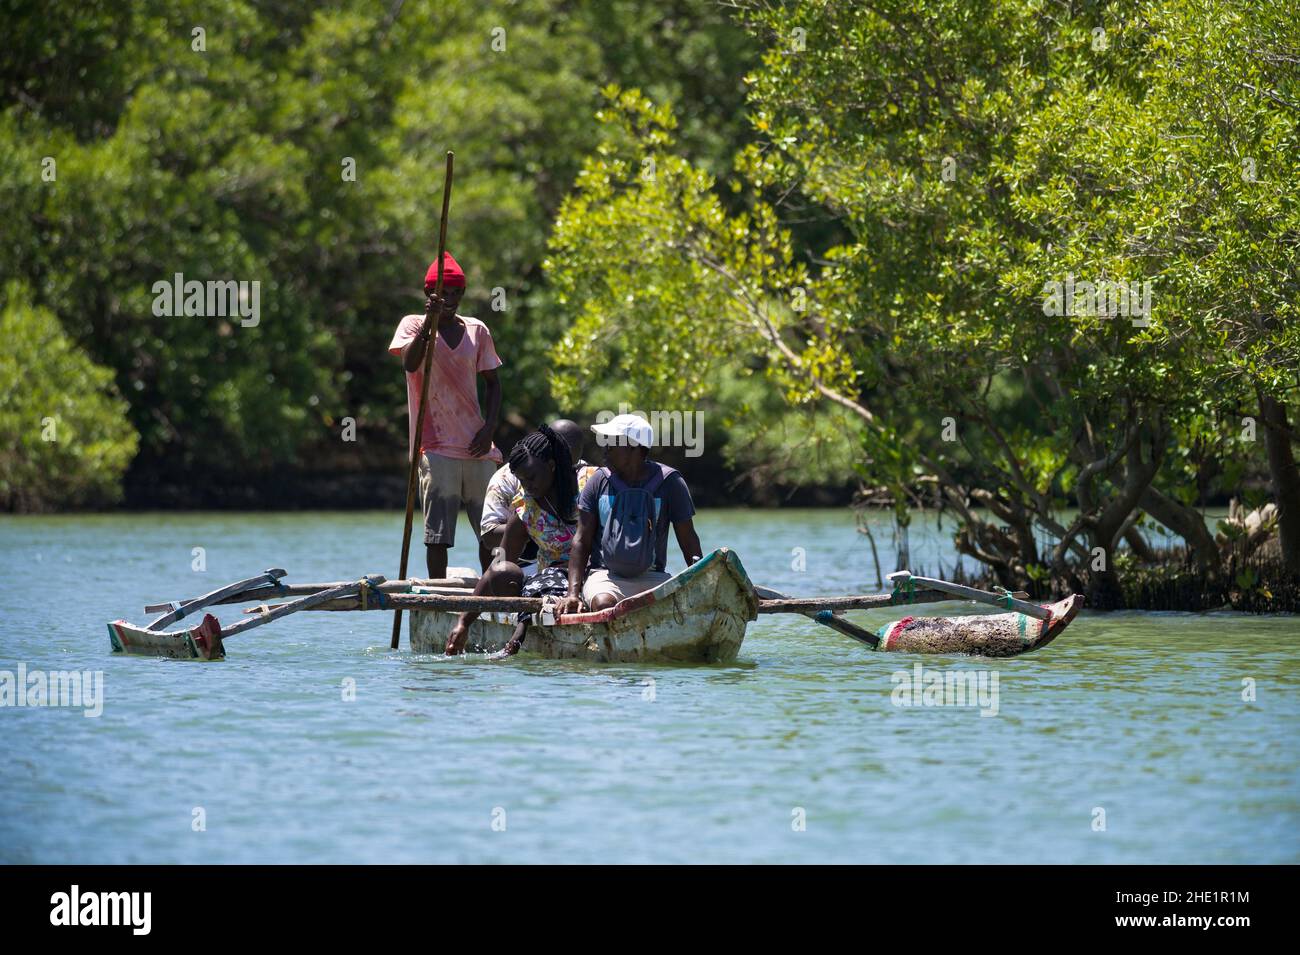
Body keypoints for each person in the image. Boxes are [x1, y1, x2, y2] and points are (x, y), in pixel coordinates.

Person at [388, 252, 502, 580]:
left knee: (491, 530)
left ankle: (490, 591)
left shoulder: (477, 331)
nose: (450, 299)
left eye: (456, 293)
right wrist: (429, 322)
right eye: (443, 293)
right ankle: (438, 593)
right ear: (429, 294)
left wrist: (489, 427)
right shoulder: (413, 325)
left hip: (477, 444)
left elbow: (494, 384)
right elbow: (410, 363)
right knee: (438, 534)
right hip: (436, 446)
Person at [445, 425, 597, 655]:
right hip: (553, 581)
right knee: (506, 571)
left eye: (532, 478)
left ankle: (522, 630)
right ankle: (524, 625)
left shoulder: (591, 483)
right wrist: (463, 623)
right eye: (522, 481)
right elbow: (498, 568)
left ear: (552, 466)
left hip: (598, 569)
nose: (528, 487)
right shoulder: (527, 510)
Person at [560, 413, 702, 614]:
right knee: (603, 604)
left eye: (612, 443)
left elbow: (688, 540)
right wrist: (572, 593)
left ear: (634, 447)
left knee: (673, 610)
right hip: (605, 576)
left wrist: (703, 584)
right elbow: (581, 541)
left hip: (654, 576)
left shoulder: (670, 482)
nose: (605, 449)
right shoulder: (598, 481)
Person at [479, 418, 589, 561]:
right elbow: (488, 536)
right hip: (522, 560)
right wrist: (538, 529)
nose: (563, 460)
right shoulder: (506, 479)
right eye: (559, 450)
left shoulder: (584, 475)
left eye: (569, 455)